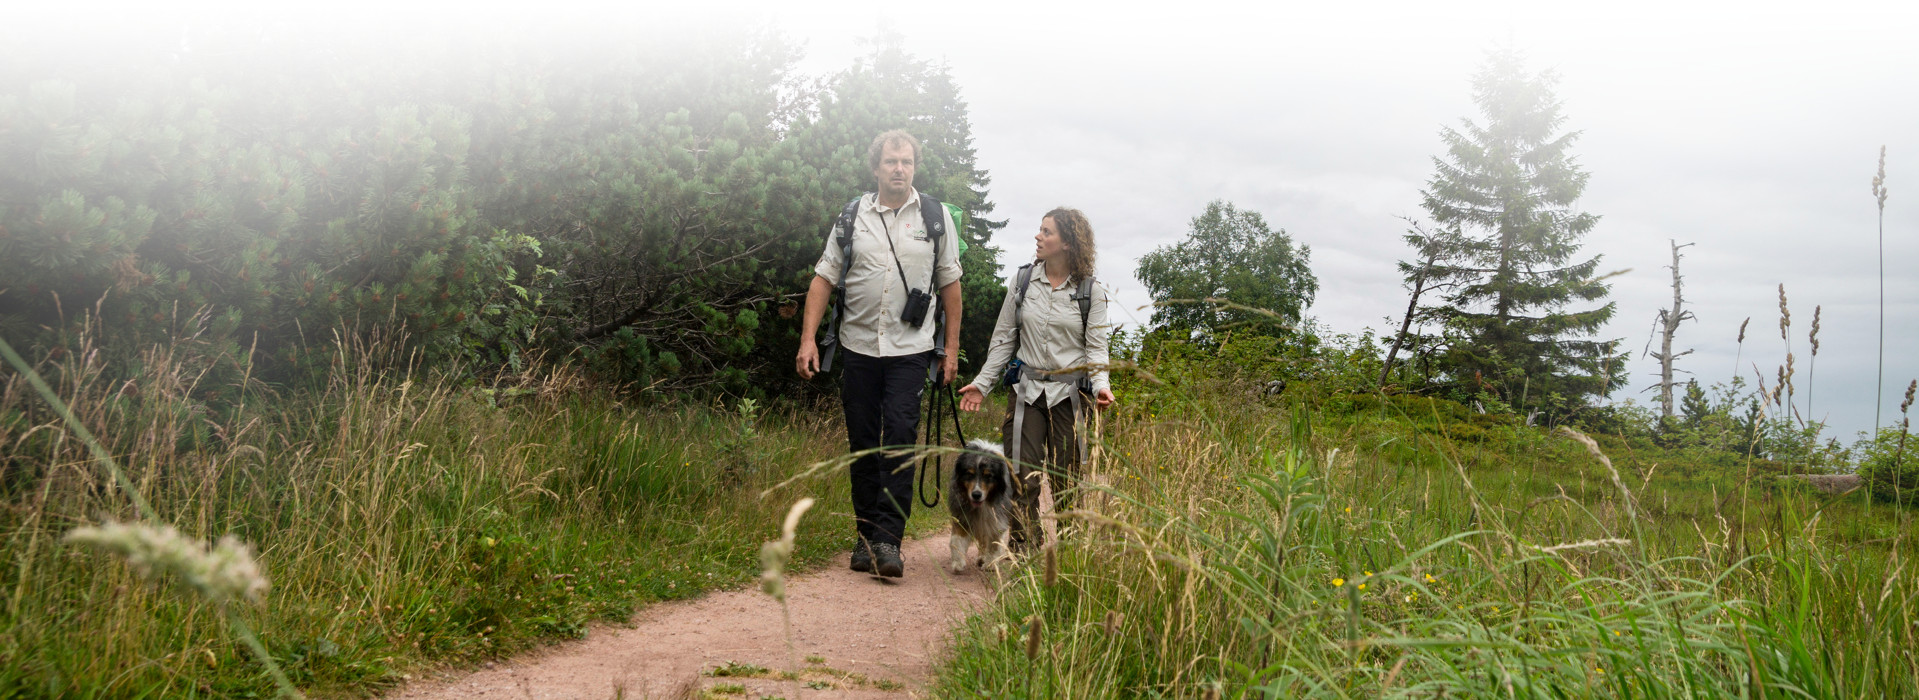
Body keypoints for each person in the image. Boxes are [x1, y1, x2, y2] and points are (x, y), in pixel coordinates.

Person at [796, 129, 962, 578]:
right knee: (864, 443)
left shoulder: (935, 216)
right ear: (876, 167)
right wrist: (808, 339)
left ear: (914, 166)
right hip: (859, 347)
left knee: (902, 439)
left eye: (906, 162)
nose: (899, 169)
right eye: (891, 162)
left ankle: (889, 539)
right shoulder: (852, 216)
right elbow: (823, 278)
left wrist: (951, 351)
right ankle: (866, 535)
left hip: (911, 350)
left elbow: (950, 283)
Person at [959, 207, 1114, 550]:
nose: (1038, 237)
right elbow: (1003, 339)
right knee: (1020, 477)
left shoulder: (1091, 292)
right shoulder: (1023, 281)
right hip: (1026, 391)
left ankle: (1071, 557)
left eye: (1047, 232)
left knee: (1067, 482)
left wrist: (1102, 387)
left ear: (1069, 243)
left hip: (1071, 397)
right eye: (1039, 230)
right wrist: (982, 384)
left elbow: (1097, 348)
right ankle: (1024, 552)